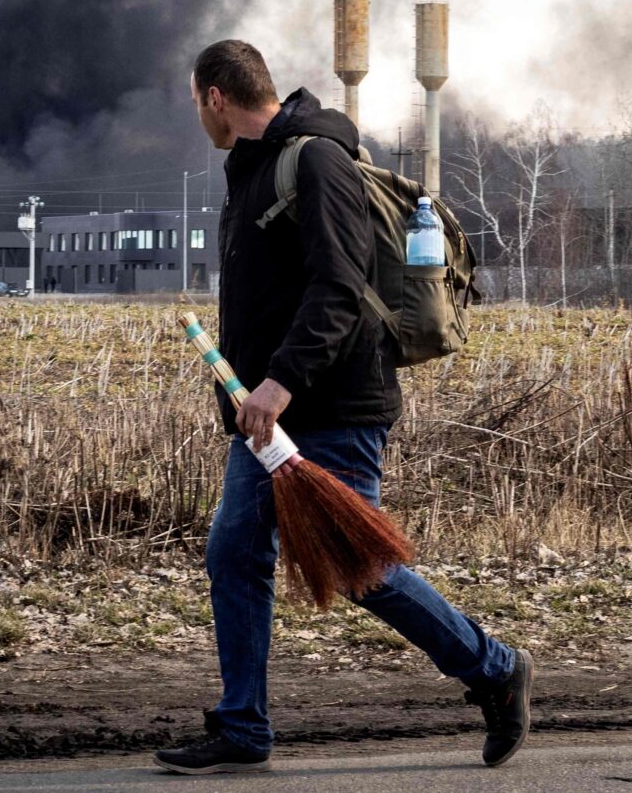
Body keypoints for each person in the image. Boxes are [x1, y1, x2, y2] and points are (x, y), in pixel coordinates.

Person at [154, 39, 532, 776]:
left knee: (363, 567)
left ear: (215, 97)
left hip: (333, 405)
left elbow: (338, 286)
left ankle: (494, 667)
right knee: (235, 550)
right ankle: (243, 726)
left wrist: (279, 382)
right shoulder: (255, 170)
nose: (197, 113)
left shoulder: (315, 161)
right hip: (267, 417)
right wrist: (248, 389)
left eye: (194, 101)